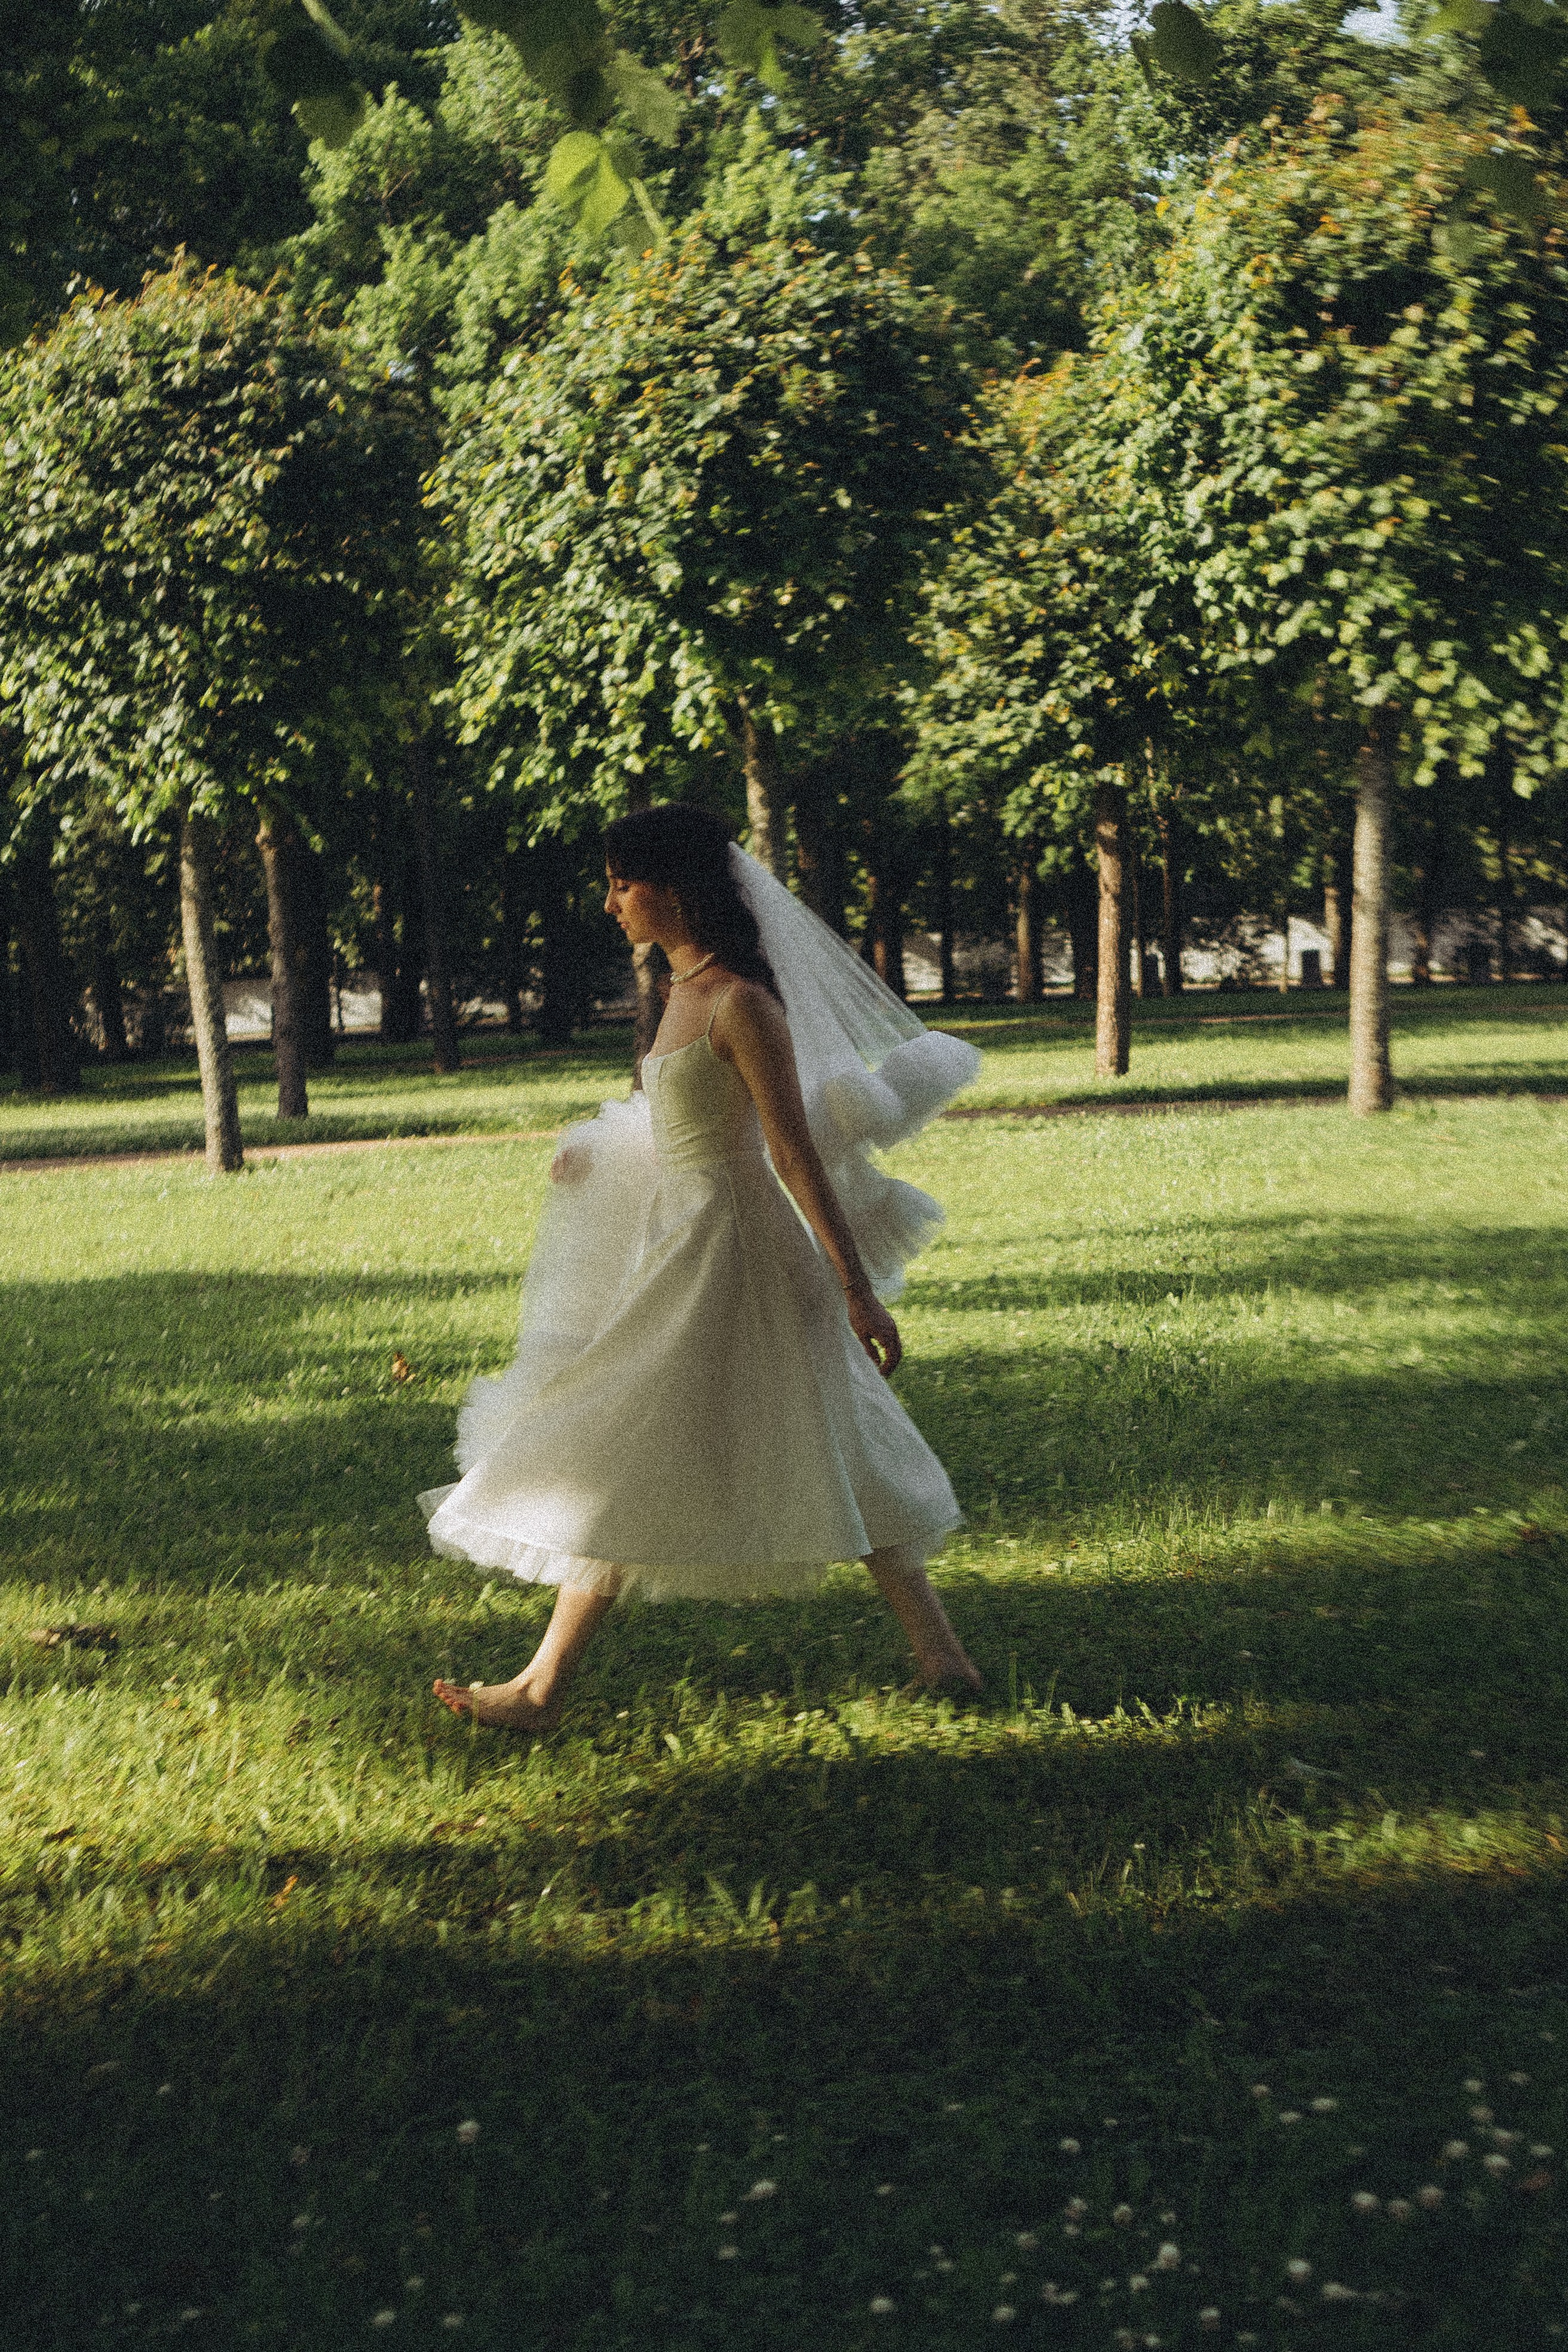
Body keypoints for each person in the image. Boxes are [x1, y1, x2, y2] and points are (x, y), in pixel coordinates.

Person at [424, 804, 981, 1730]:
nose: (610, 905)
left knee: (637, 1433)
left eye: (622, 884)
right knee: (810, 1432)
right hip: (682, 1239)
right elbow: (679, 1127)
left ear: (672, 891)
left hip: (735, 1248)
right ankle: (944, 1656)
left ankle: (539, 1687)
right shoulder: (683, 991)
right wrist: (596, 1155)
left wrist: (854, 1287)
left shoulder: (741, 1003)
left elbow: (792, 1153)